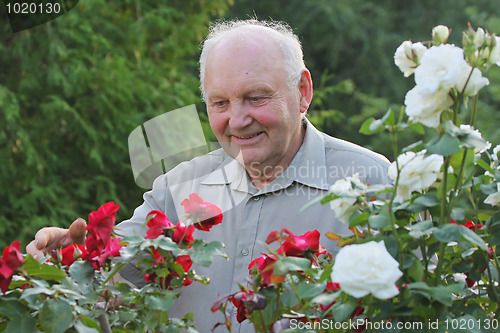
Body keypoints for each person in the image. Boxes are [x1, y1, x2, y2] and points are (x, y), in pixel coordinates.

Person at [27, 19, 391, 332]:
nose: (237, 120)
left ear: (302, 91)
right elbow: (114, 277)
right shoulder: (179, 188)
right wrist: (68, 261)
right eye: (220, 103)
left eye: (256, 97)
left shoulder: (373, 185)